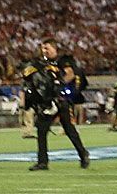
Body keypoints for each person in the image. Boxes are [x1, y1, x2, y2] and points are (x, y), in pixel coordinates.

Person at [25, 41, 89, 170]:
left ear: (54, 48)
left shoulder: (63, 60)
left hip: (59, 99)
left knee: (50, 130)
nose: (44, 51)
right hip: (51, 100)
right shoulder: (43, 63)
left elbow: (70, 74)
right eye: (43, 48)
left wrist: (58, 86)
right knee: (54, 129)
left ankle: (43, 162)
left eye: (47, 48)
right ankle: (82, 154)